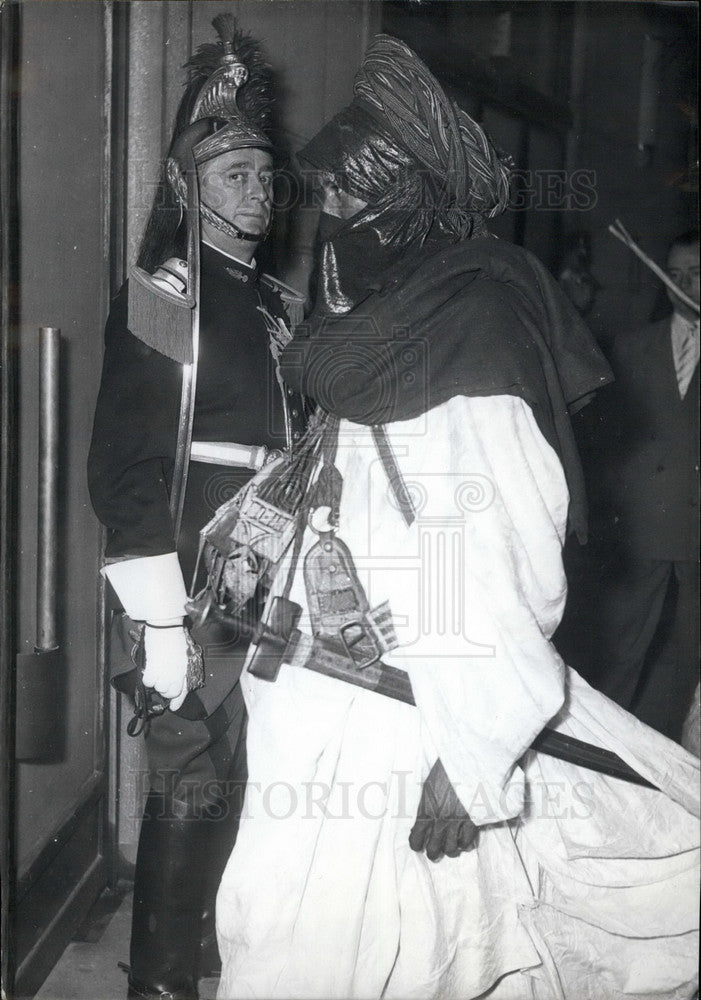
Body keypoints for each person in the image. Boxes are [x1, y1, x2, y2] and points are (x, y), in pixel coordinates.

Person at [214, 36, 699, 1000]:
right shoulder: (395, 335)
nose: (330, 221)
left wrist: (466, 761)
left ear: (399, 202)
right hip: (331, 700)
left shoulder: (465, 338)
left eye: (348, 199)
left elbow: (475, 555)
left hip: (409, 722)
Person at [88, 15, 305, 1000]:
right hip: (188, 568)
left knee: (249, 773)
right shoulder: (163, 294)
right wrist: (157, 612)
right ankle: (162, 978)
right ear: (183, 184)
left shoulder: (277, 306)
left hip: (273, 564)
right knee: (190, 777)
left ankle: (213, 946)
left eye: (263, 175)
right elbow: (124, 464)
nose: (254, 192)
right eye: (232, 175)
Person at [592, 229, 699, 741]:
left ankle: (674, 762)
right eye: (674, 276)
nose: (683, 287)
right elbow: (612, 442)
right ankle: (606, 755)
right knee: (620, 650)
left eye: (697, 276)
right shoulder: (634, 345)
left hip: (697, 529)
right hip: (641, 526)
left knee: (688, 659)